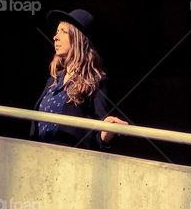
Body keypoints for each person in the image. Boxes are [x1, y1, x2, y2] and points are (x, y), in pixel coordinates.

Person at [31, 8, 128, 149]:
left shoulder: (96, 81)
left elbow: (98, 132)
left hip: (71, 162)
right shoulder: (53, 80)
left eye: (63, 31)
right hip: (38, 156)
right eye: (57, 32)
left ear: (77, 39)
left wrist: (106, 132)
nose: (55, 37)